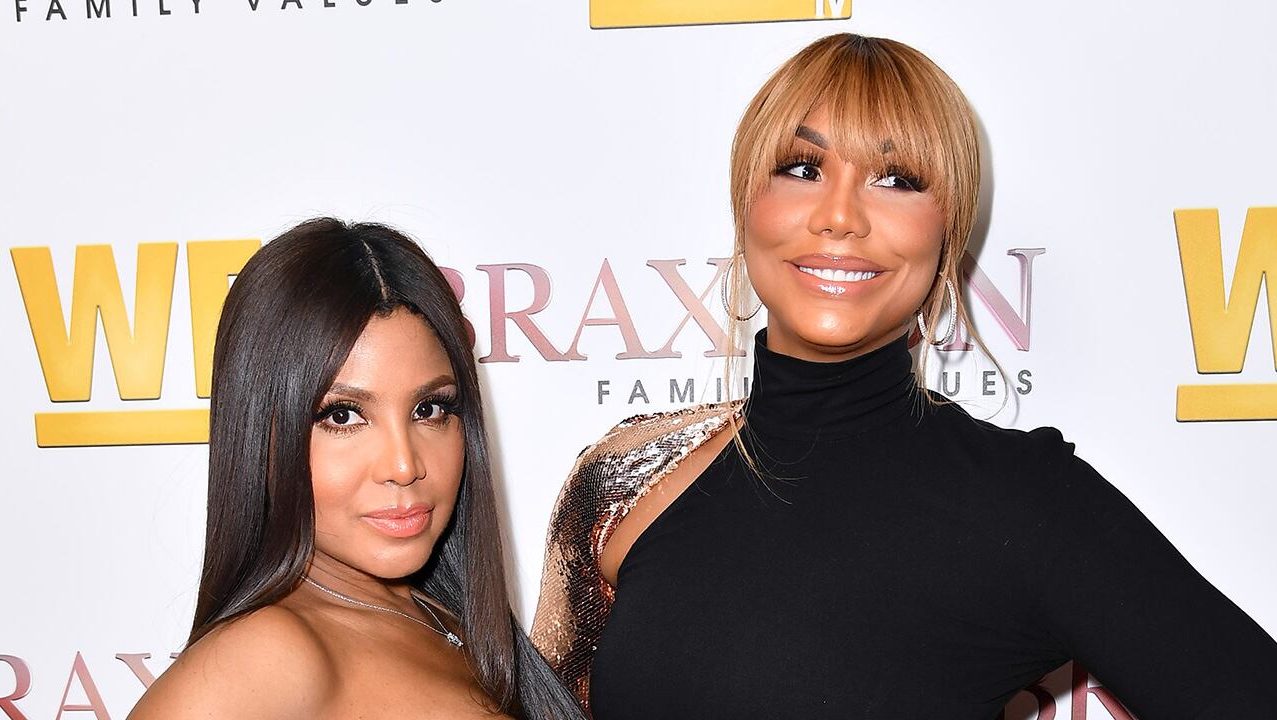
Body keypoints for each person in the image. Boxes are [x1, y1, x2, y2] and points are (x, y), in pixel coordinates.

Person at [530, 34, 1277, 719]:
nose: (840, 216)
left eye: (896, 179)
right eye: (802, 168)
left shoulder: (1024, 502)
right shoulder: (623, 480)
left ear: (948, 231)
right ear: (746, 204)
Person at [130, 218, 583, 720]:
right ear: (264, 434)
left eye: (429, 409)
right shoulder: (265, 656)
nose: (404, 465)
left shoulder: (443, 617)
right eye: (343, 416)